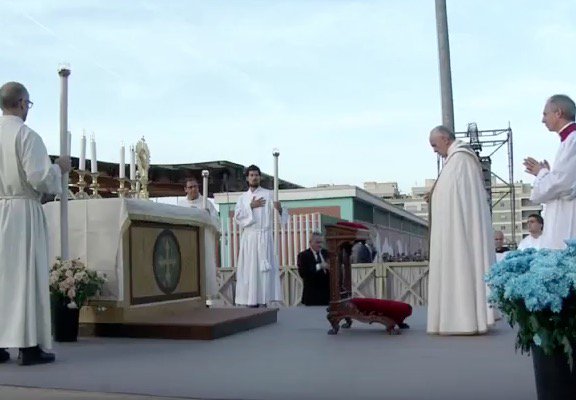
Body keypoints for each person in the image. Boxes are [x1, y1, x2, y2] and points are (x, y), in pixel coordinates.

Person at [0, 82, 71, 365]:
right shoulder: (26, 135)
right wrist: (59, 168)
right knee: (25, 277)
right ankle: (28, 346)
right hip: (22, 212)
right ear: (20, 103)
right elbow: (39, 178)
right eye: (27, 104)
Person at [426, 125, 495, 335]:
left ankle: (463, 319)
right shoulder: (455, 160)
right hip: (452, 227)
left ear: (445, 139)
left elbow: (457, 196)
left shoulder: (461, 159)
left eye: (434, 144)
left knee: (461, 265)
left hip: (458, 229)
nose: (434, 150)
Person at [524, 94, 576, 250]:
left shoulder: (573, 140)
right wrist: (546, 174)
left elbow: (562, 184)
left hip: (568, 214)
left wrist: (542, 173)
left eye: (545, 114)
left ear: (558, 113)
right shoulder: (568, 140)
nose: (543, 120)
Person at [234, 165, 288, 307]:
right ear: (247, 178)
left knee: (263, 270)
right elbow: (238, 217)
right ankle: (250, 301)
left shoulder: (269, 194)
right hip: (250, 238)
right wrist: (250, 206)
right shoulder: (242, 198)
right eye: (251, 175)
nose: (254, 177)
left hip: (264, 237)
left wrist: (279, 210)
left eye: (256, 175)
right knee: (250, 270)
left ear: (260, 177)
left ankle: (264, 300)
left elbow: (281, 216)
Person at [179, 177, 219, 304]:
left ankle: (206, 297)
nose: (193, 189)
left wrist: (208, 215)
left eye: (195, 186)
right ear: (185, 189)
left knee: (204, 268)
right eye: (190, 187)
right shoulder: (181, 205)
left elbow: (216, 222)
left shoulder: (206, 204)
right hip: (187, 242)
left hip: (204, 241)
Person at [297, 232, 330, 306]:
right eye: (317, 242)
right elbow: (303, 273)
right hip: (312, 297)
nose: (320, 245)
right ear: (310, 242)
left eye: (321, 242)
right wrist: (319, 266)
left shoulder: (327, 253)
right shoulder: (303, 255)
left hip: (327, 297)